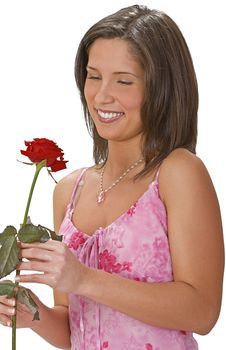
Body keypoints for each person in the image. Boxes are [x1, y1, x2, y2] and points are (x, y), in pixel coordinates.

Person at [0, 4, 224, 350]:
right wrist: (35, 315)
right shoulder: (68, 191)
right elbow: (74, 328)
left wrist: (85, 278)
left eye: (124, 80)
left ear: (161, 88)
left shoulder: (178, 172)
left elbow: (203, 311)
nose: (102, 96)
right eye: (93, 76)